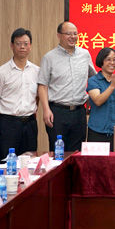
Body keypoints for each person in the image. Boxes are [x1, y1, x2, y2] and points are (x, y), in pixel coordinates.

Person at [38, 21, 96, 153]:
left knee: (77, 153)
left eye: (75, 34)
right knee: (57, 153)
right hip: (57, 112)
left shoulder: (85, 54)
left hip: (79, 112)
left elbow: (93, 78)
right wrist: (46, 109)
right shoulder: (49, 57)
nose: (73, 37)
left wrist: (91, 97)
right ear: (59, 35)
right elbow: (42, 85)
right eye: (68, 34)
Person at [0, 28, 40, 162]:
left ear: (30, 46)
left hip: (30, 124)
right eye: (18, 43)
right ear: (12, 46)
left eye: (26, 43)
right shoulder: (1, 72)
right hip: (8, 124)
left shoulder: (37, 71)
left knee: (29, 163)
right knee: (7, 163)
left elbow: (37, 97)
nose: (22, 47)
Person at [87, 47, 115, 144]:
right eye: (108, 59)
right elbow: (98, 101)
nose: (112, 63)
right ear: (101, 62)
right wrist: (112, 86)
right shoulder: (94, 80)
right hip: (98, 131)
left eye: (114, 60)